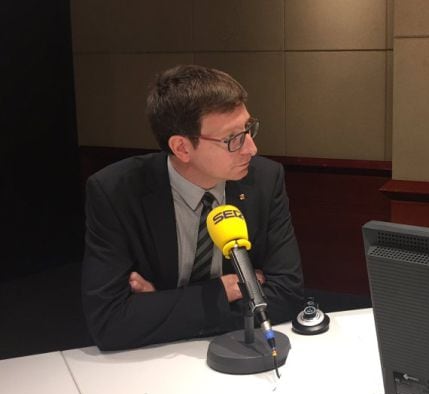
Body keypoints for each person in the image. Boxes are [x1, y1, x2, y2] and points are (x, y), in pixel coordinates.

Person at [82, 65, 304, 351]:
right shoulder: (116, 191)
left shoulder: (264, 179)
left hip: (240, 349)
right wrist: (221, 291)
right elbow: (109, 323)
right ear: (182, 148)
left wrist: (162, 303)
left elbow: (286, 295)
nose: (251, 148)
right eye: (233, 139)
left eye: (249, 129)